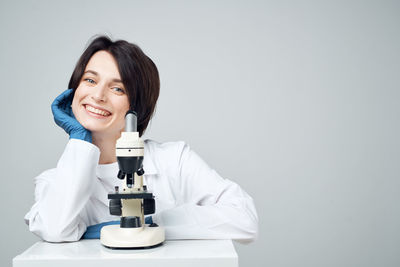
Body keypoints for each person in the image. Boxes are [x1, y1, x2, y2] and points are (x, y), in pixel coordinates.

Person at [24, 35, 258, 243]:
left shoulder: (174, 160)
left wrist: (147, 224)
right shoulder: (55, 181)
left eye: (118, 89)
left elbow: (244, 219)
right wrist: (80, 141)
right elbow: (55, 230)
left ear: (136, 108)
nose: (97, 96)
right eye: (90, 80)